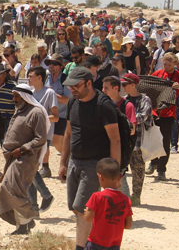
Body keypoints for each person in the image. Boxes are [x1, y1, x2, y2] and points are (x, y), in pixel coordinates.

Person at [59, 67, 121, 250]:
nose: (72, 89)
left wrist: (113, 173)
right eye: (70, 86)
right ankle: (92, 243)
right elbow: (68, 134)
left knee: (82, 210)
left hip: (95, 165)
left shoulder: (104, 105)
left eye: (76, 86)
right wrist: (63, 163)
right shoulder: (73, 102)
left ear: (88, 83)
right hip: (74, 162)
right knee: (75, 208)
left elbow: (115, 139)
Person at [0, 84, 49, 235]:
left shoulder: (36, 112)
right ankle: (25, 222)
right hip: (13, 158)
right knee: (11, 190)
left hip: (25, 159)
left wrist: (21, 150)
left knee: (13, 191)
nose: (13, 99)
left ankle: (26, 221)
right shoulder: (20, 111)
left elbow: (41, 138)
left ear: (25, 97)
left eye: (16, 96)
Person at [146, 52, 179, 180]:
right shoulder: (158, 74)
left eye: (169, 65)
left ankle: (161, 169)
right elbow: (148, 85)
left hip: (169, 113)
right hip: (155, 112)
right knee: (153, 139)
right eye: (165, 64)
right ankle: (153, 162)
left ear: (175, 65)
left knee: (165, 142)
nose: (166, 67)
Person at [84, 158, 133, 250]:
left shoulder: (97, 196)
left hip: (95, 243)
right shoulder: (126, 200)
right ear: (119, 177)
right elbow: (128, 225)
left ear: (100, 177)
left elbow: (87, 218)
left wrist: (87, 211)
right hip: (115, 244)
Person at [26, 67, 57, 212]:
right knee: (28, 167)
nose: (28, 79)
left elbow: (55, 116)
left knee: (30, 167)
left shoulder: (49, 93)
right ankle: (33, 206)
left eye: (31, 76)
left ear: (40, 78)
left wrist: (39, 119)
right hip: (30, 135)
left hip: (44, 135)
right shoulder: (30, 94)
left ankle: (46, 195)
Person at [101, 76, 137, 198]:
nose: (103, 90)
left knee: (120, 181)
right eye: (103, 87)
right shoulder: (101, 104)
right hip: (103, 147)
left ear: (116, 88)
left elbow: (132, 129)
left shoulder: (127, 106)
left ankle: (126, 211)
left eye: (106, 88)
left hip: (120, 149)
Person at [121, 73, 153, 206]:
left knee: (138, 171)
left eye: (125, 84)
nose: (122, 86)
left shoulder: (145, 100)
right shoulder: (124, 100)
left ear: (133, 85)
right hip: (124, 141)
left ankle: (136, 196)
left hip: (139, 141)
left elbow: (142, 116)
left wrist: (126, 118)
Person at [44, 54, 72, 174]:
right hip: (47, 115)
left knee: (56, 141)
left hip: (62, 115)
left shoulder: (66, 79)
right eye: (50, 63)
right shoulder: (46, 78)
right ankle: (45, 167)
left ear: (60, 67)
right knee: (44, 141)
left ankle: (69, 161)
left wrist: (52, 94)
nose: (51, 66)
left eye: (54, 64)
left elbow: (67, 100)